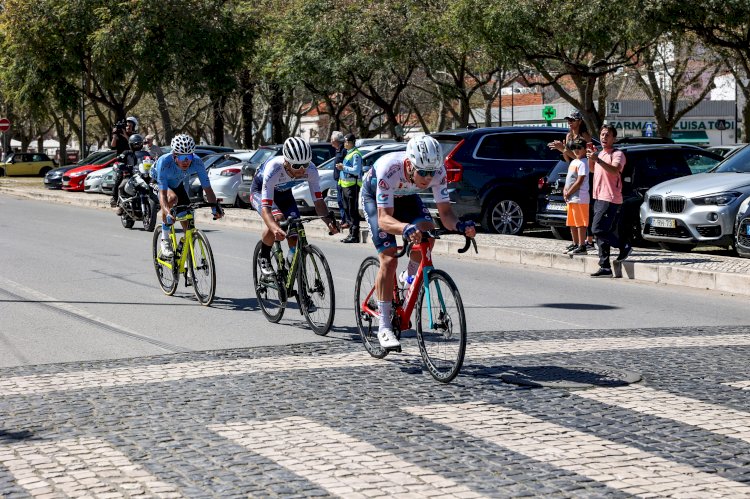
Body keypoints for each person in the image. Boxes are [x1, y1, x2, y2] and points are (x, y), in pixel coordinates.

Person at [361, 135, 476, 350]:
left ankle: (409, 276)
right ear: (408, 164)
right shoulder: (390, 169)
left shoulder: (437, 172)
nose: (427, 178)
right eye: (422, 172)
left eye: (431, 173)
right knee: (389, 257)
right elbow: (385, 219)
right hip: (376, 198)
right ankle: (384, 327)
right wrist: (405, 228)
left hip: (407, 196)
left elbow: (446, 214)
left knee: (428, 232)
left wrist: (461, 226)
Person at [252, 137, 340, 276]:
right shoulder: (274, 168)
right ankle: (264, 257)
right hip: (260, 192)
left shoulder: (311, 170)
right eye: (297, 166)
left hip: (284, 194)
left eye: (305, 164)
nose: (301, 170)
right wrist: (275, 228)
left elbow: (318, 200)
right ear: (286, 162)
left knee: (294, 234)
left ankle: (288, 269)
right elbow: (266, 209)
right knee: (277, 219)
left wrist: (328, 221)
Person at [153, 134, 224, 257]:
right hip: (159, 183)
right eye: (182, 157)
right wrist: (167, 211)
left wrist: (214, 207)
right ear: (174, 155)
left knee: (188, 218)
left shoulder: (197, 162)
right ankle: (165, 239)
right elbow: (163, 196)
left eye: (189, 156)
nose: (186, 161)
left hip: (177, 184)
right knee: (172, 198)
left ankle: (185, 254)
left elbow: (207, 188)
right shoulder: (165, 162)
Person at [588, 124, 631, 277]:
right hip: (598, 197)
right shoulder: (600, 154)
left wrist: (597, 160)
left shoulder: (618, 154)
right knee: (603, 233)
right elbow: (593, 170)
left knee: (597, 229)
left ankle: (624, 245)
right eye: (602, 134)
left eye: (607, 135)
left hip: (610, 198)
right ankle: (605, 266)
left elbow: (614, 170)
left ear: (614, 138)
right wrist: (591, 158)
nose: (604, 137)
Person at [548, 110, 595, 248]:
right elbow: (568, 158)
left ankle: (589, 240)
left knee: (586, 209)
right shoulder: (569, 136)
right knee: (572, 212)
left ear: (579, 121)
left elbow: (582, 157)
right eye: (568, 120)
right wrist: (562, 150)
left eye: (572, 120)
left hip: (584, 172)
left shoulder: (584, 136)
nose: (570, 122)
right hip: (572, 170)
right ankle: (577, 242)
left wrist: (564, 149)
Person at [562, 138, 590, 255]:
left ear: (584, 149)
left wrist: (569, 192)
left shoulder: (584, 162)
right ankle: (575, 243)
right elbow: (569, 178)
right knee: (572, 222)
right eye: (574, 148)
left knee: (581, 223)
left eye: (579, 148)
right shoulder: (574, 162)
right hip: (571, 198)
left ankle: (582, 245)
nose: (576, 150)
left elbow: (579, 181)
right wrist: (565, 190)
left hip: (580, 197)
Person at [111, 133, 149, 212]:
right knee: (121, 186)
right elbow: (120, 158)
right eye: (135, 144)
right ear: (131, 144)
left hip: (142, 175)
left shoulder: (145, 153)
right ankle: (121, 205)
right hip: (130, 175)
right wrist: (120, 159)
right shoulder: (127, 153)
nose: (137, 146)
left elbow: (150, 161)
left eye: (139, 144)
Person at [337, 133, 363, 243]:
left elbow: (356, 171)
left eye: (345, 142)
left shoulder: (356, 154)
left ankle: (355, 235)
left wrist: (343, 167)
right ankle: (350, 233)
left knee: (352, 211)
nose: (344, 143)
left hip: (352, 186)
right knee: (347, 210)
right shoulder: (349, 153)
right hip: (345, 186)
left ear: (350, 142)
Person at [330, 131, 349, 228]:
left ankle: (346, 221)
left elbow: (347, 164)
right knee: (340, 201)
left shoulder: (344, 150)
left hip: (344, 180)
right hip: (338, 180)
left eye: (332, 140)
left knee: (343, 201)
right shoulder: (337, 150)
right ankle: (343, 219)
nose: (331, 142)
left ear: (337, 140)